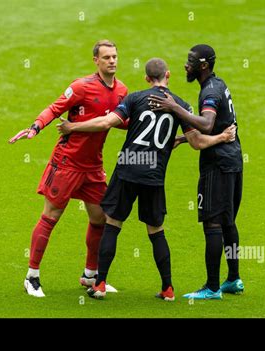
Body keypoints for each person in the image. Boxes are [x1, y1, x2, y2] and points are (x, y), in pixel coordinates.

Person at [58, 58, 236, 301]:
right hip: (154, 174)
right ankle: (168, 288)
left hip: (128, 167)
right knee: (156, 231)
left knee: (112, 223)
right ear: (168, 75)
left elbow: (105, 122)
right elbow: (197, 143)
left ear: (146, 78)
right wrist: (222, 137)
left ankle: (99, 284)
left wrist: (73, 127)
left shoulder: (135, 98)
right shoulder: (179, 105)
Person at [8, 40, 128, 297]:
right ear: (96, 60)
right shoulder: (81, 86)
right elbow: (55, 108)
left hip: (93, 166)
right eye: (106, 57)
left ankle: (90, 275)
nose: (112, 61)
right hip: (67, 163)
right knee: (51, 216)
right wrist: (35, 127)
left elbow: (120, 120)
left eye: (115, 56)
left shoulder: (122, 91)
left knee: (100, 218)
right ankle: (32, 276)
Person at [148, 44, 244, 300]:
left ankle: (212, 287)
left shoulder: (209, 91)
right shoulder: (218, 84)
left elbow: (208, 123)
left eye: (190, 61)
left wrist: (174, 107)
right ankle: (233, 279)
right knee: (228, 222)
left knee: (213, 223)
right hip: (233, 160)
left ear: (203, 66)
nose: (185, 65)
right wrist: (182, 138)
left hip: (218, 164)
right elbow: (218, 125)